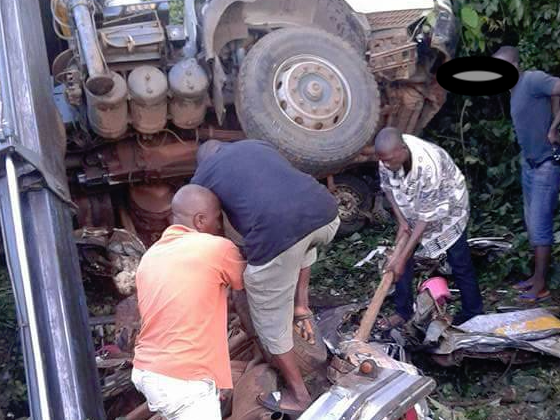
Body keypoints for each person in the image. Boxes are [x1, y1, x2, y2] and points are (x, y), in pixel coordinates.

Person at [191, 139, 340, 415]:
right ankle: (301, 305)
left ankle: (299, 395)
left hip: (280, 231)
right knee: (302, 241)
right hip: (327, 214)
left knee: (270, 321)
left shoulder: (203, 178)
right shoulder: (255, 146)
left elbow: (211, 225)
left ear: (202, 163)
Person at [131, 184, 246, 420]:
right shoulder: (217, 248)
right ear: (200, 220)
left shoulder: (151, 256)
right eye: (218, 219)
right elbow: (253, 291)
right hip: (182, 379)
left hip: (148, 369)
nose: (219, 227)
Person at [373, 127, 483, 328]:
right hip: (415, 208)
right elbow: (388, 189)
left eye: (389, 160)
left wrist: (402, 258)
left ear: (403, 149)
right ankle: (402, 312)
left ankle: (473, 312)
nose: (386, 165)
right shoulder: (386, 159)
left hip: (449, 209)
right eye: (383, 161)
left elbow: (425, 219)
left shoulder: (427, 165)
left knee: (459, 260)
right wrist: (402, 221)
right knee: (401, 261)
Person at [493, 46, 560, 302]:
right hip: (529, 164)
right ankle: (535, 277)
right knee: (532, 225)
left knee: (541, 227)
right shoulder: (514, 91)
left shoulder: (531, 79)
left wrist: (554, 126)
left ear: (516, 65)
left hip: (546, 164)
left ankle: (541, 285)